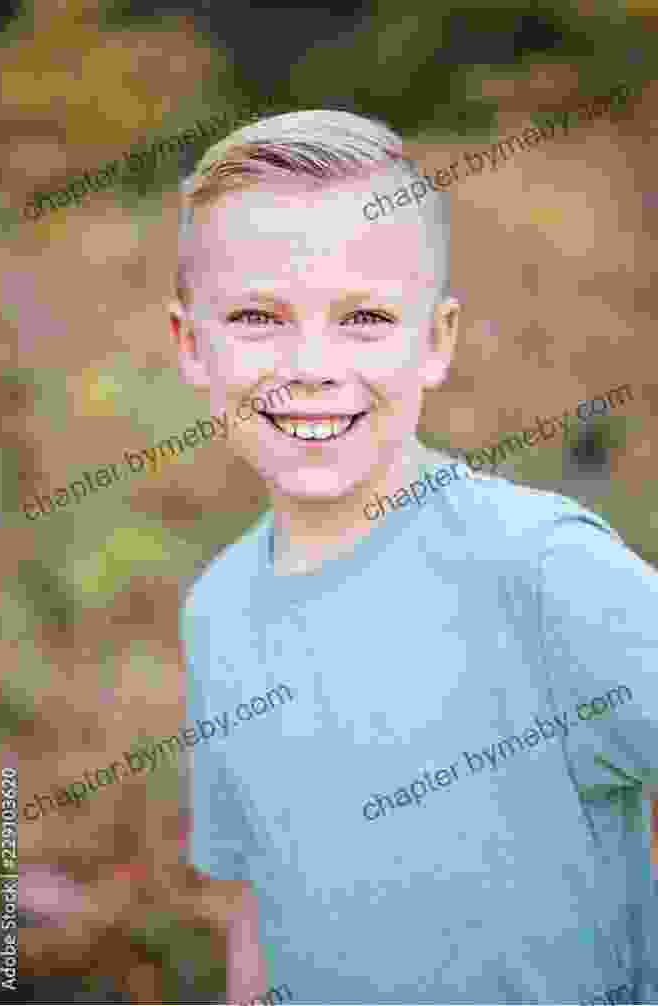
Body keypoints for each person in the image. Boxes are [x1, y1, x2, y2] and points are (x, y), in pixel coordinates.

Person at [170, 108, 658, 1005]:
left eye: (363, 316)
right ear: (189, 347)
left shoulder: (547, 572)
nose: (311, 364)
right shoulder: (218, 609)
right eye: (256, 316)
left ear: (435, 341)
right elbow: (258, 910)